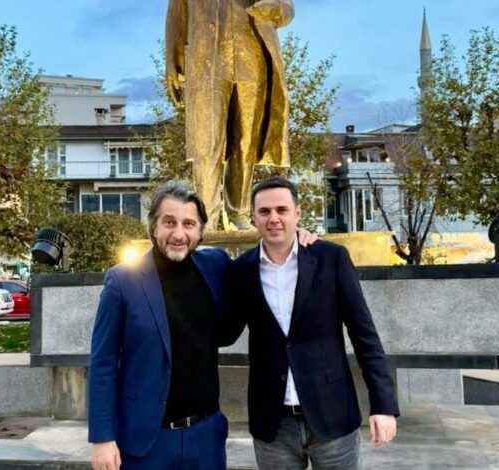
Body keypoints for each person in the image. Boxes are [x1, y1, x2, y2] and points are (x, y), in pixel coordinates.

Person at [87, 180, 315, 470]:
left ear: (200, 231)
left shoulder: (215, 265)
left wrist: (299, 237)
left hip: (205, 438)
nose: (178, 234)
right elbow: (102, 363)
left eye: (189, 224)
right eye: (169, 222)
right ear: (153, 226)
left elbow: (263, 262)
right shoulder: (122, 281)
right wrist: (102, 438)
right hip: (145, 440)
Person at [224, 177, 399, 469]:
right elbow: (226, 331)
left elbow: (364, 334)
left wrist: (383, 405)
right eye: (264, 211)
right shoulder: (242, 270)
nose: (273, 218)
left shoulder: (330, 258)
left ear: (297, 213)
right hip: (273, 425)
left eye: (282, 210)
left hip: (332, 415)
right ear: (253, 217)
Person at [166, 0, 294, 230]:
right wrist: (173, 62)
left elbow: (287, 8)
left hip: (252, 58)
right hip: (206, 62)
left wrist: (273, 8)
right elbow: (177, 15)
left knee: (246, 142)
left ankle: (239, 212)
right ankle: (206, 215)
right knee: (206, 142)